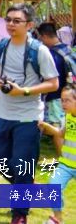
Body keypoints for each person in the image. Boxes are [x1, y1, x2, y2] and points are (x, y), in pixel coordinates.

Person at [0, 3, 59, 224]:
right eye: (8, 19)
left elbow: (53, 83)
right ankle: (27, 186)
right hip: (2, 113)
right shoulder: (0, 46)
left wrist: (24, 90)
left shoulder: (39, 51)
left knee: (22, 164)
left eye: (16, 21)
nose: (11, 24)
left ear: (29, 25)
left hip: (29, 116)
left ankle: (19, 214)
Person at [40, 83, 76, 224]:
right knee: (53, 187)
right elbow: (61, 134)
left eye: (67, 100)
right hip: (65, 165)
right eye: (62, 100)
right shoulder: (67, 117)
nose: (63, 104)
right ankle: (57, 219)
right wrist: (46, 126)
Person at [38, 22, 75, 154]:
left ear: (44, 36)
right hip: (71, 94)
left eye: (41, 38)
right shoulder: (67, 49)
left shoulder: (52, 55)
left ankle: (63, 158)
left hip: (57, 98)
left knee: (57, 129)